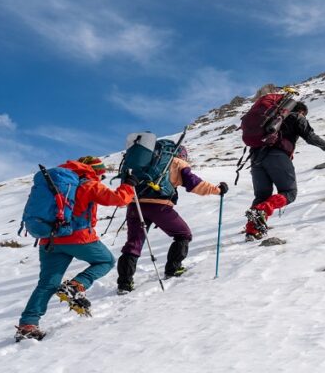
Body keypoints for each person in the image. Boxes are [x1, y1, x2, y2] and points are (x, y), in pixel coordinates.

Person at [15, 156, 135, 342]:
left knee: (47, 283)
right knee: (106, 261)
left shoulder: (53, 183)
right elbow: (118, 200)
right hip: (78, 238)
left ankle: (27, 325)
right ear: (95, 171)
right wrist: (128, 185)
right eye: (101, 174)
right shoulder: (88, 184)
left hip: (50, 240)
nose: (101, 178)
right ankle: (76, 286)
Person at [116, 147, 228, 294]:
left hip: (135, 205)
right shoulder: (176, 162)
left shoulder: (145, 162)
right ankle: (173, 269)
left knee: (133, 243)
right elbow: (194, 184)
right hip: (159, 207)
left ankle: (124, 284)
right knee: (183, 234)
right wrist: (217, 190)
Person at [245, 100, 325, 240]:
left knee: (261, 196)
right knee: (289, 193)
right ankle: (262, 210)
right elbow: (309, 136)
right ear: (301, 111)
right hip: (277, 155)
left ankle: (252, 231)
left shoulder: (269, 117)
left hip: (256, 158)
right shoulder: (296, 116)